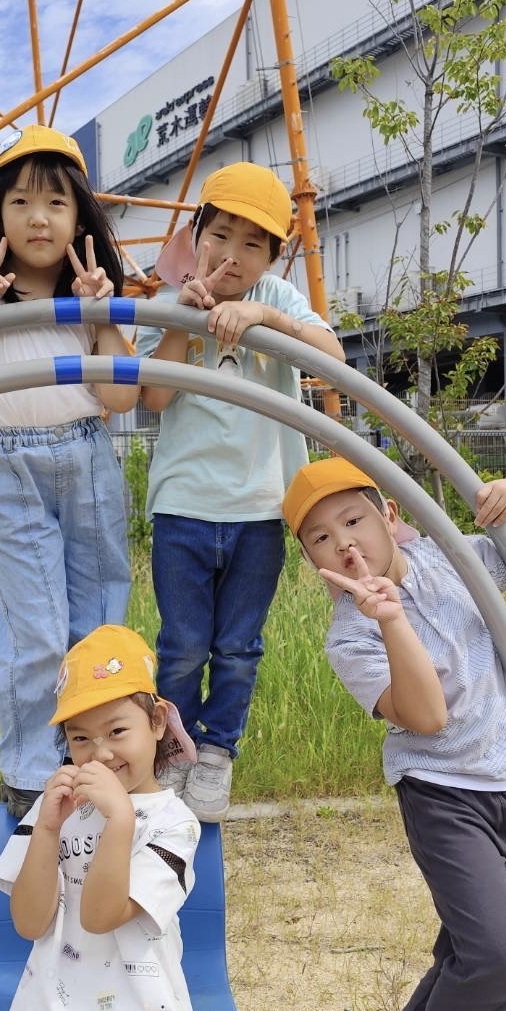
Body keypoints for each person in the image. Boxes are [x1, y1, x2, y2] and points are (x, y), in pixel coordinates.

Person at [281, 456, 506, 1011]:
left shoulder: (445, 560)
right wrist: (390, 620)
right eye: (319, 538)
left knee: (470, 949)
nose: (343, 542)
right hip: (441, 795)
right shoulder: (350, 635)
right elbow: (424, 716)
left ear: (391, 517)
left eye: (353, 520)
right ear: (311, 563)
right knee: (498, 958)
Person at [0, 125, 137, 817]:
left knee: (98, 617)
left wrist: (102, 315)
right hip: (9, 463)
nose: (37, 218)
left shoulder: (88, 297)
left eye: (54, 204)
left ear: (80, 219)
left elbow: (122, 396)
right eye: (19, 203)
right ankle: (26, 772)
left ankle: (101, 754)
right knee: (33, 627)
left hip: (86, 456)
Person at [135, 161, 345, 820]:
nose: (231, 254)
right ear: (195, 236)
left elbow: (331, 360)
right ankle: (171, 754)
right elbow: (154, 395)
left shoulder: (277, 301)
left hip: (259, 509)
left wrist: (257, 316)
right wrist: (184, 322)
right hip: (183, 507)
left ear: (270, 259)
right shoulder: (167, 304)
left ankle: (217, 752)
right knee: (183, 643)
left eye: (252, 244)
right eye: (219, 236)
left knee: (237, 647)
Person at [0, 624, 217, 1011]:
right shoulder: (53, 811)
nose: (99, 753)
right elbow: (30, 921)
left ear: (157, 724)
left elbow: (100, 916)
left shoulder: (174, 823)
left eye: (117, 731)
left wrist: (120, 821)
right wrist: (49, 828)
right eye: (81, 738)